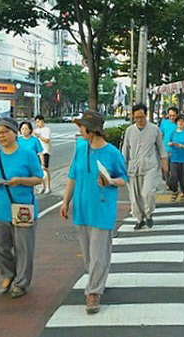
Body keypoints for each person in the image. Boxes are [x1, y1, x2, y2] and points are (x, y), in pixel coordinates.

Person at [60, 110, 128, 314]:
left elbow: (123, 179)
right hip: (81, 208)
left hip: (102, 207)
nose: (79, 130)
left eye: (82, 127)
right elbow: (72, 177)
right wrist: (65, 202)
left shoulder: (112, 153)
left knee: (99, 254)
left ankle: (93, 292)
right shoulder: (80, 148)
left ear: (92, 130)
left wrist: (110, 181)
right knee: (90, 256)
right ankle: (97, 280)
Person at [0, 117, 44, 299]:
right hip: (0, 209)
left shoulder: (27, 154)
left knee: (23, 248)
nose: (1, 136)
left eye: (5, 132)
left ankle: (21, 283)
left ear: (14, 133)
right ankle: (8, 274)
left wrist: (20, 181)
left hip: (23, 208)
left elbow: (39, 178)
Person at [122, 104, 168, 230]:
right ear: (133, 116)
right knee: (135, 196)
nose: (139, 120)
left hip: (150, 167)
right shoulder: (129, 130)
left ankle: (148, 214)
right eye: (136, 117)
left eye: (141, 117)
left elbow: (161, 149)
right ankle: (139, 218)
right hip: (133, 168)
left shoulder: (154, 129)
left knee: (147, 193)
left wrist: (165, 166)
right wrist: (121, 167)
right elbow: (125, 151)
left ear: (146, 115)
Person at [168, 114, 184, 203]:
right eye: (179, 121)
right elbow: (169, 142)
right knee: (173, 177)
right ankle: (175, 191)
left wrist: (183, 146)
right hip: (174, 158)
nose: (180, 123)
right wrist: (171, 144)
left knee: (183, 178)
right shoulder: (173, 132)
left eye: (182, 122)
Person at [34, 115, 53, 193]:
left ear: (42, 121)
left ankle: (48, 187)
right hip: (38, 152)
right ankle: (42, 186)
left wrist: (39, 136)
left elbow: (47, 140)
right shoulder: (36, 130)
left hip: (45, 151)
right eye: (36, 122)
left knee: (44, 168)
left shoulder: (46, 130)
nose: (37, 124)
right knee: (39, 170)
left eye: (38, 122)